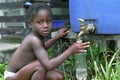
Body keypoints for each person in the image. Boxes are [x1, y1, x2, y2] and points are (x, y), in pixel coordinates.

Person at [4, 3, 90, 80]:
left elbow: (41, 48)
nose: (45, 25)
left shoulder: (37, 37)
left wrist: (55, 38)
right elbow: (48, 65)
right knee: (41, 65)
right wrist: (71, 50)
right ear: (30, 24)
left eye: (48, 21)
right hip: (12, 76)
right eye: (40, 22)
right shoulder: (33, 39)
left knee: (58, 76)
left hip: (25, 72)